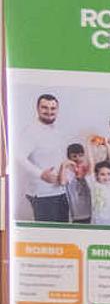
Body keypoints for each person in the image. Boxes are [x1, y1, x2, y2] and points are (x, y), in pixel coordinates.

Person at [17, 94, 72, 223]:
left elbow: (60, 159)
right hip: (42, 194)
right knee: (48, 234)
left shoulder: (58, 131)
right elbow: (18, 157)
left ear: (57, 110)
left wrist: (68, 175)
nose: (49, 111)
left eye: (53, 108)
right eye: (44, 107)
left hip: (60, 191)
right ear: (37, 108)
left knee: (63, 233)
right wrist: (41, 174)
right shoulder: (30, 131)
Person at [63, 143, 93, 225]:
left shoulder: (87, 169)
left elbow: (92, 166)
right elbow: (63, 181)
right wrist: (65, 166)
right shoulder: (68, 172)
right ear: (69, 158)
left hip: (90, 212)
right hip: (76, 214)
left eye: (80, 155)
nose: (78, 158)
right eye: (74, 156)